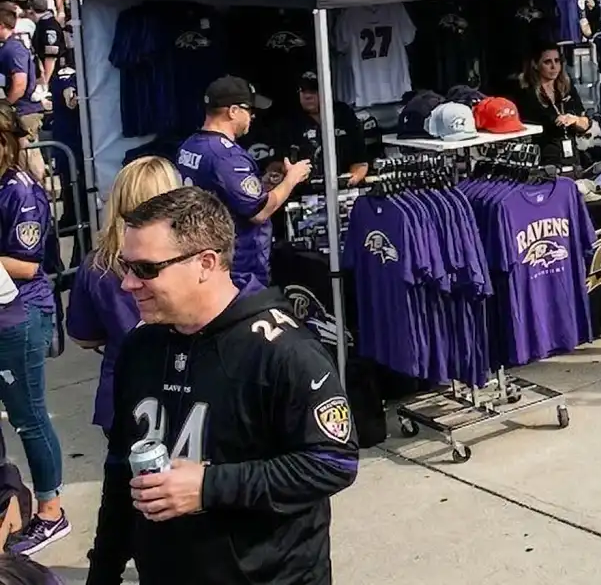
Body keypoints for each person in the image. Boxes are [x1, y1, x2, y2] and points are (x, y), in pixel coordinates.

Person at [85, 187, 358, 585]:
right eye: (125, 267)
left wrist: (209, 486)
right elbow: (119, 470)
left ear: (205, 263)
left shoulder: (285, 351)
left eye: (144, 269)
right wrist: (104, 570)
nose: (127, 284)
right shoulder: (140, 346)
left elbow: (333, 463)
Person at [68, 158, 185, 435]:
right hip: (182, 389)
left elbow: (82, 335)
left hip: (124, 394)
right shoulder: (187, 260)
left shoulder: (98, 264)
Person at [175, 76, 304, 293]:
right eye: (249, 109)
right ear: (233, 111)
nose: (252, 116)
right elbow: (259, 211)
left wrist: (260, 184)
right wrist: (292, 178)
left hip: (205, 257)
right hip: (239, 270)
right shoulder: (226, 155)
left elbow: (223, 192)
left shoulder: (189, 145)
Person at [0, 107, 62, 557]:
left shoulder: (20, 193)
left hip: (23, 313)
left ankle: (51, 511)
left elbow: (27, 264)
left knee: (29, 416)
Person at [276, 73, 373, 190]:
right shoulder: (290, 120)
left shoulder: (344, 114)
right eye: (303, 91)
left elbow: (360, 160)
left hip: (343, 188)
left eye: (313, 90)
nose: (307, 96)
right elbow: (280, 163)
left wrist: (352, 179)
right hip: (304, 191)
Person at [513, 44, 592, 168]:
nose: (554, 67)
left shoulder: (566, 88)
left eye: (557, 61)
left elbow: (585, 122)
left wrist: (576, 120)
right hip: (544, 159)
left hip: (572, 156)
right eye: (547, 62)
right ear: (535, 65)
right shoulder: (527, 93)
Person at [0, 8, 42, 182]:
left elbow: (20, 84)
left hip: (23, 112)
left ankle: (38, 199)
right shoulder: (9, 48)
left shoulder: (13, 49)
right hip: (19, 110)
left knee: (28, 158)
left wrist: (5, 105)